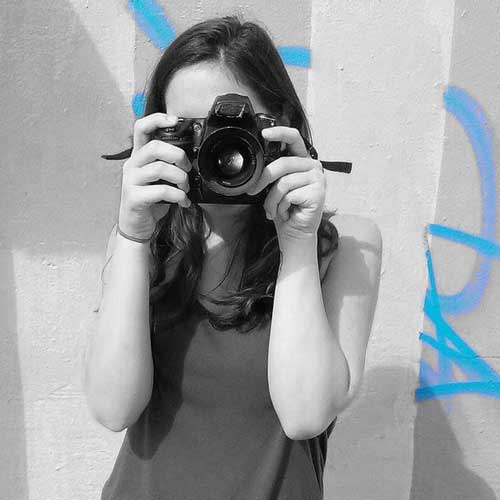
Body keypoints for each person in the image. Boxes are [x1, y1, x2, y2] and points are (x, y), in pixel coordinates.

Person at [83, 14, 383, 500]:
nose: (215, 150)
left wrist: (297, 242)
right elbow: (113, 408)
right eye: (192, 130)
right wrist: (133, 238)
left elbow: (305, 414)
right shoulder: (142, 240)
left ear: (281, 126)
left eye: (234, 129)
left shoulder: (344, 244)